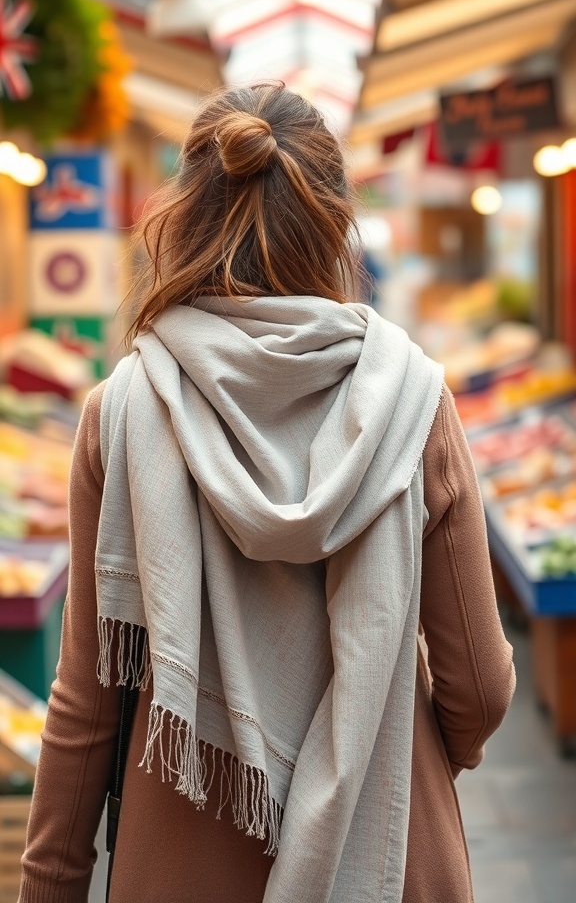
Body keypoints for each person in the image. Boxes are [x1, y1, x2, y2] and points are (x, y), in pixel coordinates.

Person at [19, 83, 515, 903]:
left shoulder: (125, 410)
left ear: (182, 212)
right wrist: (384, 750)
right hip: (390, 853)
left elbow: (87, 700)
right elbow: (482, 685)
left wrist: (50, 886)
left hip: (180, 855)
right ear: (334, 220)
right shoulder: (413, 402)